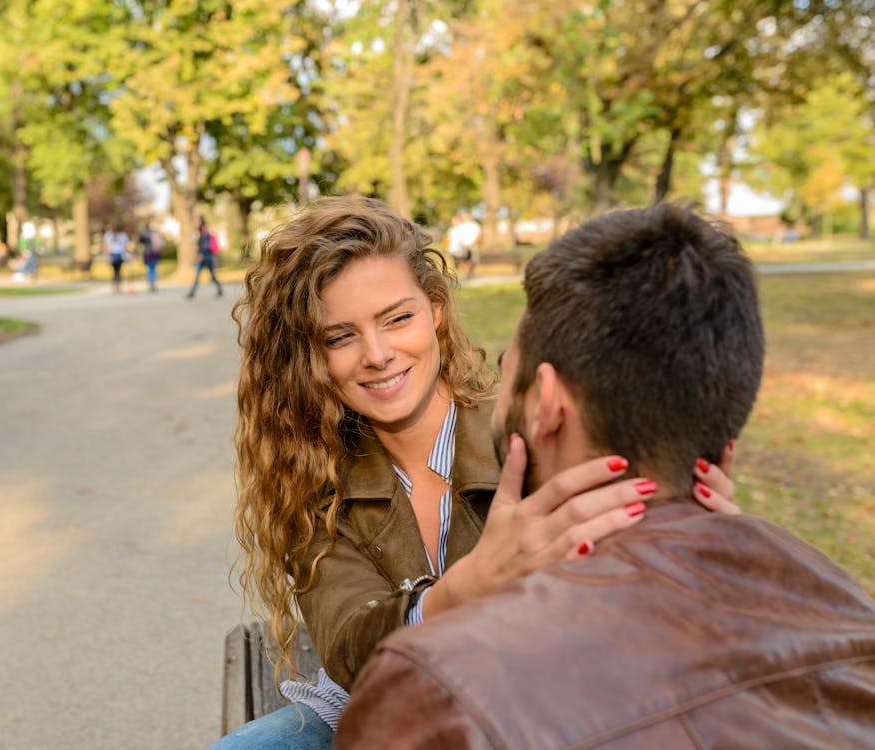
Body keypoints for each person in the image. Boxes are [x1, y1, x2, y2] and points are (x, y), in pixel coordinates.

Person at [335, 203, 875, 748]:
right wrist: (707, 549)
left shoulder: (437, 692)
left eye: (507, 370)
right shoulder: (852, 614)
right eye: (340, 336)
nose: (377, 355)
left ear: (547, 404)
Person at [214, 197, 738, 749]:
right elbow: (347, 646)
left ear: (435, 309)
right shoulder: (311, 471)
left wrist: (700, 538)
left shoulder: (531, 431)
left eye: (398, 318)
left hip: (533, 712)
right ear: (311, 355)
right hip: (385, 711)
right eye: (339, 337)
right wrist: (465, 588)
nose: (377, 353)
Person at [186, 217, 222, 299]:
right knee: (199, 275)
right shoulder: (200, 231)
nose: (196, 223)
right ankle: (192, 292)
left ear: (201, 221)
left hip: (206, 257)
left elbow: (206, 244)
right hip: (204, 256)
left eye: (197, 221)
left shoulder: (205, 231)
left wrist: (201, 254)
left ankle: (192, 292)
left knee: (210, 275)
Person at [446, 211, 481, 279]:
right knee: (463, 260)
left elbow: (479, 235)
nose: (464, 218)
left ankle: (470, 273)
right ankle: (467, 273)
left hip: (472, 245)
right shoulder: (461, 225)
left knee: (472, 260)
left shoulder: (475, 225)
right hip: (463, 246)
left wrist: (472, 244)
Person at [103, 225, 132, 294]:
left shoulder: (110, 235)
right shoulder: (121, 235)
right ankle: (117, 286)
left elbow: (106, 247)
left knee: (115, 271)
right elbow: (125, 247)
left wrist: (107, 256)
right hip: (117, 254)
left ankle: (116, 286)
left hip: (115, 254)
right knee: (117, 271)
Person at [139, 222, 162, 293]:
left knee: (149, 268)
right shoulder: (154, 232)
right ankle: (154, 283)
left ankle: (151, 284)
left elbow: (140, 242)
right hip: (155, 252)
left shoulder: (143, 233)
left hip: (147, 252)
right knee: (154, 268)